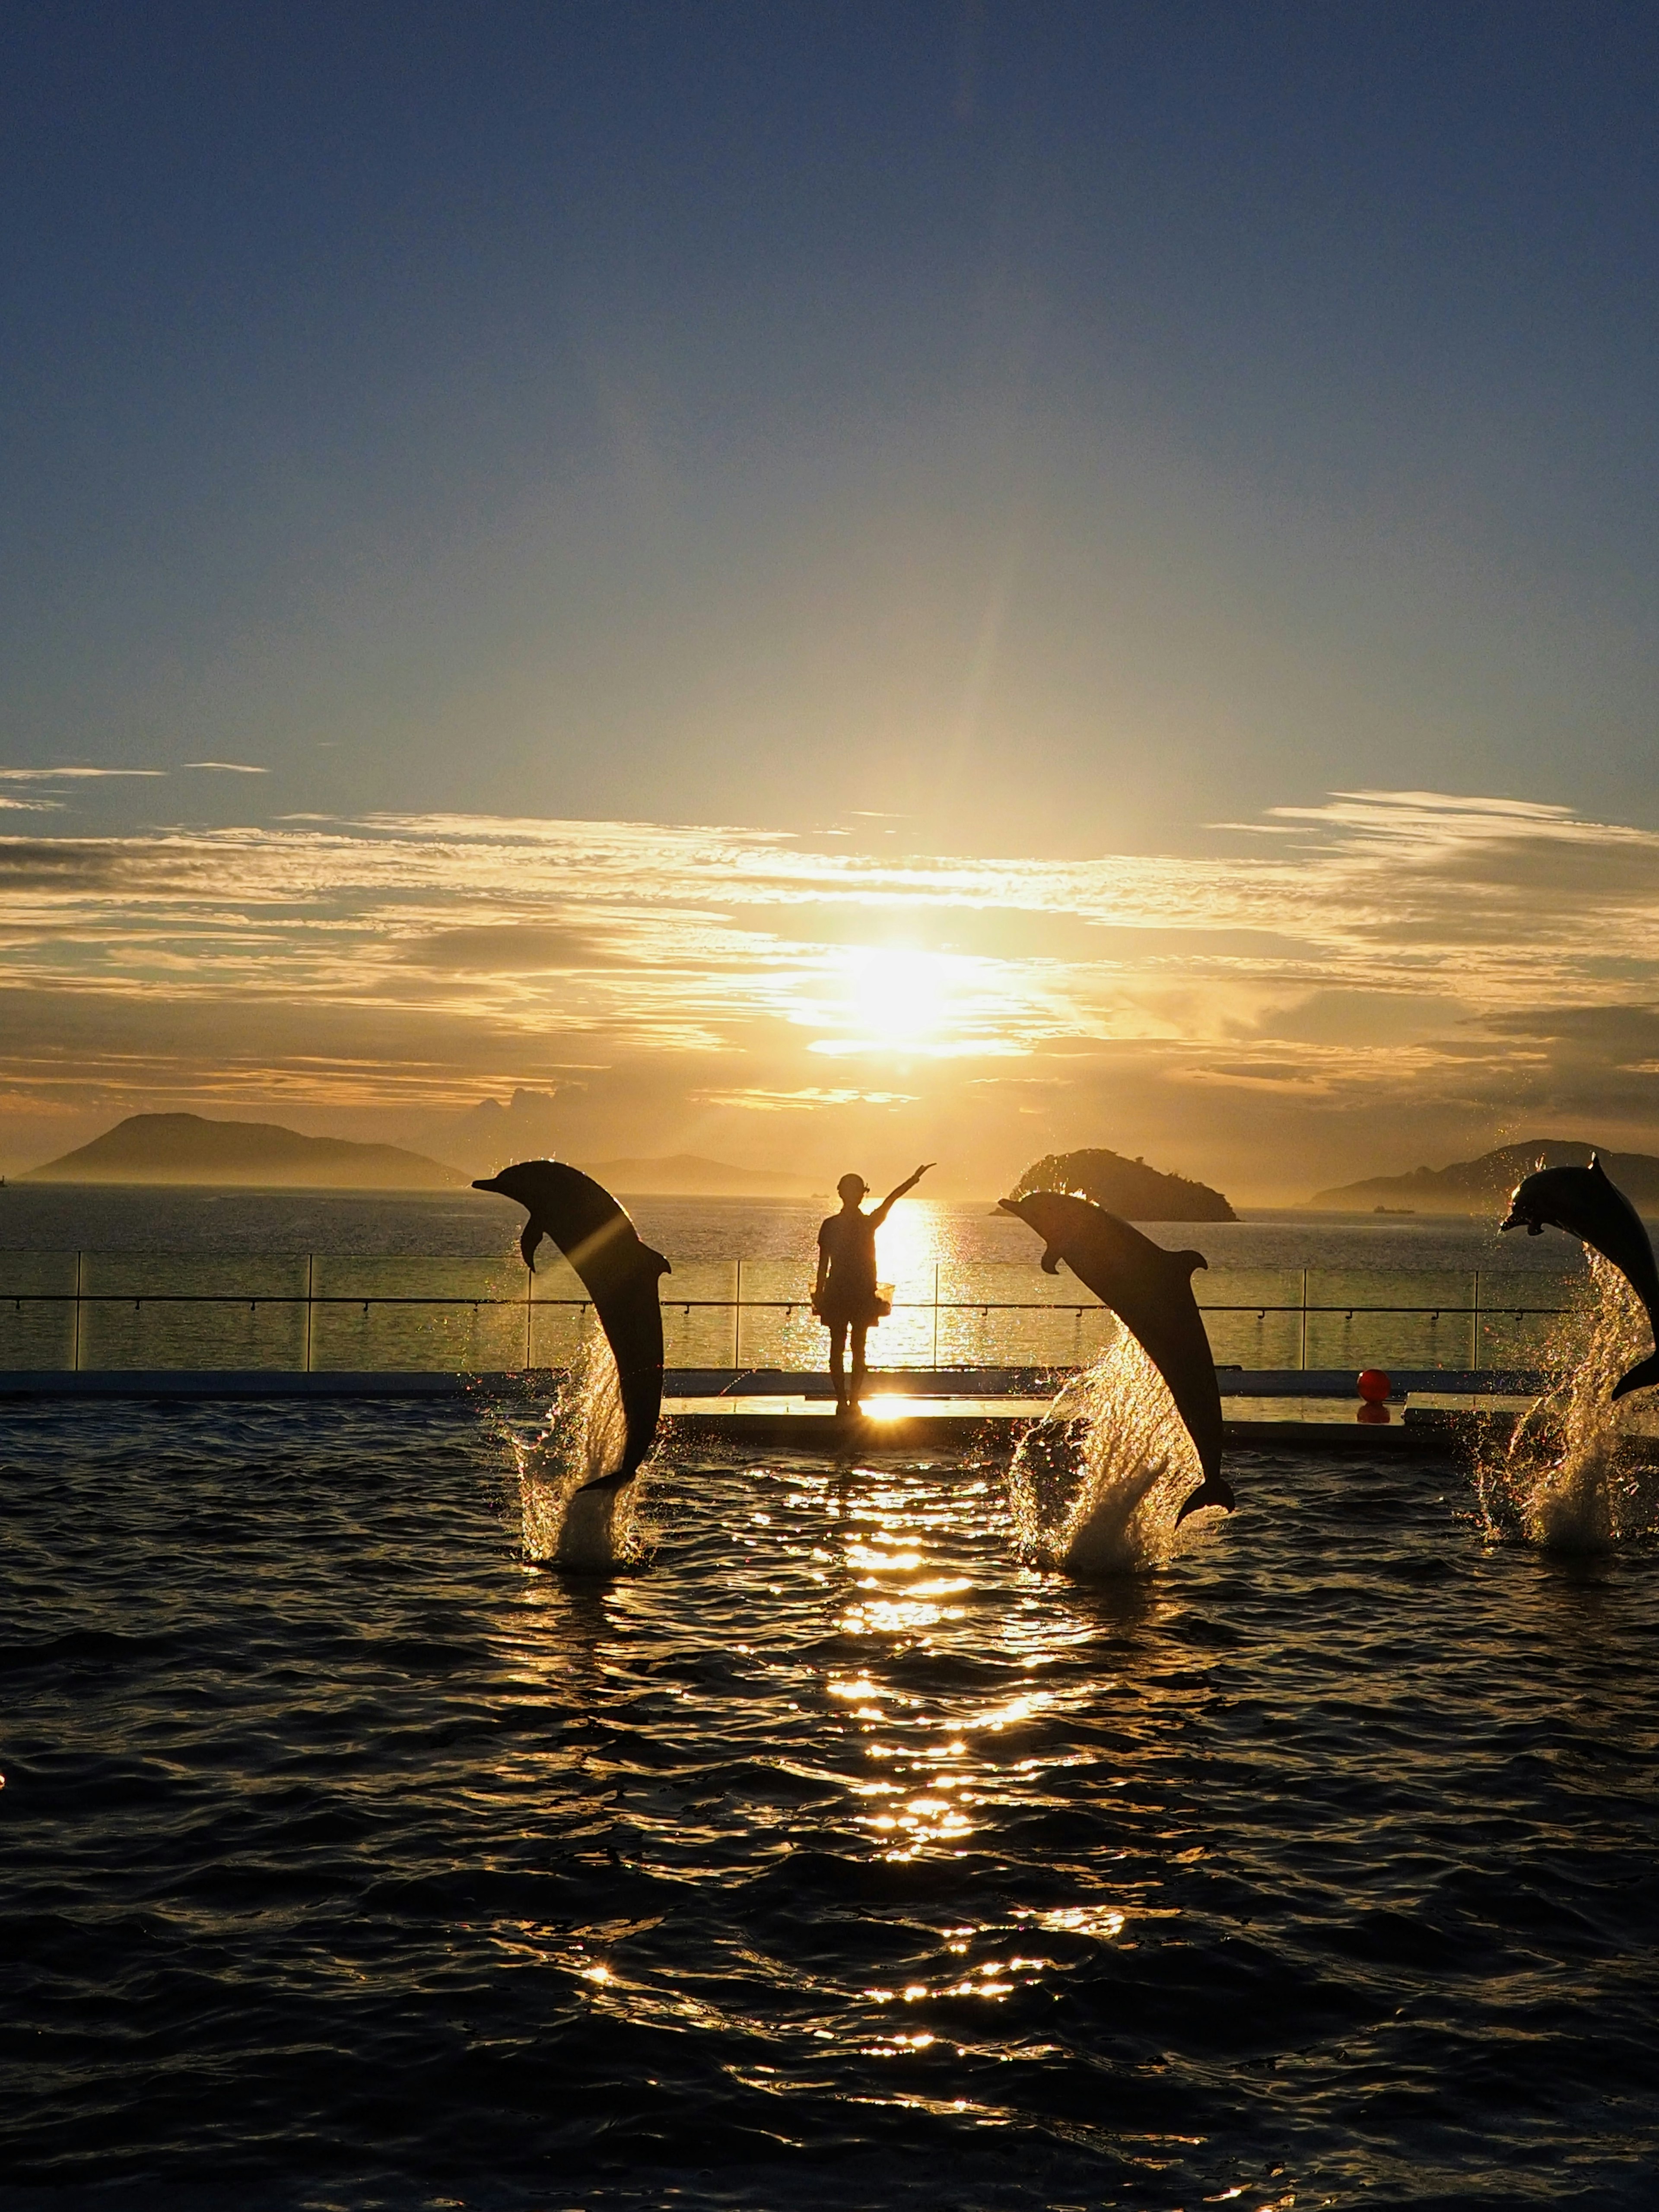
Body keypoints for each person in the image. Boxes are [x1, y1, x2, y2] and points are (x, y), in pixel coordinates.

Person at [813, 1163, 934, 1417]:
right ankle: (853, 1401)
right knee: (858, 1348)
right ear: (861, 1195)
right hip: (859, 1293)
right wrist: (912, 1180)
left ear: (840, 1193)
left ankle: (843, 1401)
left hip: (840, 1292)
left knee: (839, 1347)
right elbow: (891, 1200)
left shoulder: (831, 1225)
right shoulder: (867, 1224)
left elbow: (823, 1265)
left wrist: (821, 1294)